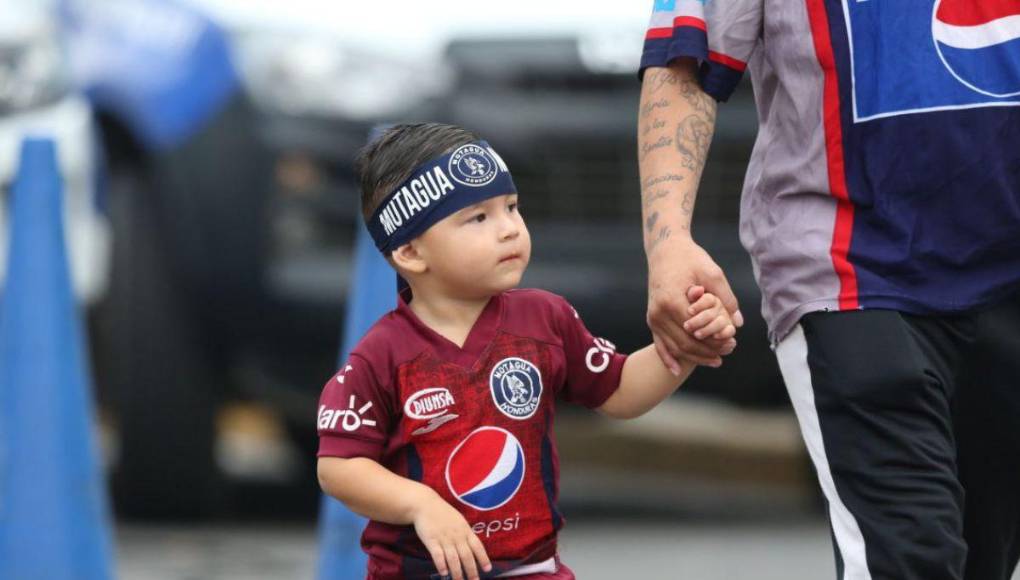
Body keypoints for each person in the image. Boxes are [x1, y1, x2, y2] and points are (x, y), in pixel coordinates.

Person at [636, 1, 1020, 579]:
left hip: (1006, 269)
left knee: (978, 558)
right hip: (847, 272)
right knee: (910, 560)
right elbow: (682, 66)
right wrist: (668, 240)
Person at [315, 122, 736, 580]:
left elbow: (620, 390)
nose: (509, 230)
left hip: (533, 569)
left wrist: (685, 347)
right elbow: (339, 466)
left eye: (512, 208)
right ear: (412, 252)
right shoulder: (382, 354)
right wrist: (421, 506)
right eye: (478, 217)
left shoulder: (544, 319)